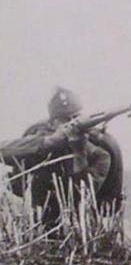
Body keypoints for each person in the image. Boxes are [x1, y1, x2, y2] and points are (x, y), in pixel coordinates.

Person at [0, 87, 123, 229]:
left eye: (76, 118)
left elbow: (80, 197)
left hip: (82, 228)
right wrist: (49, 143)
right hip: (38, 223)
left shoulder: (99, 153)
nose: (72, 124)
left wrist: (79, 152)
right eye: (65, 120)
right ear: (52, 124)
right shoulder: (41, 140)